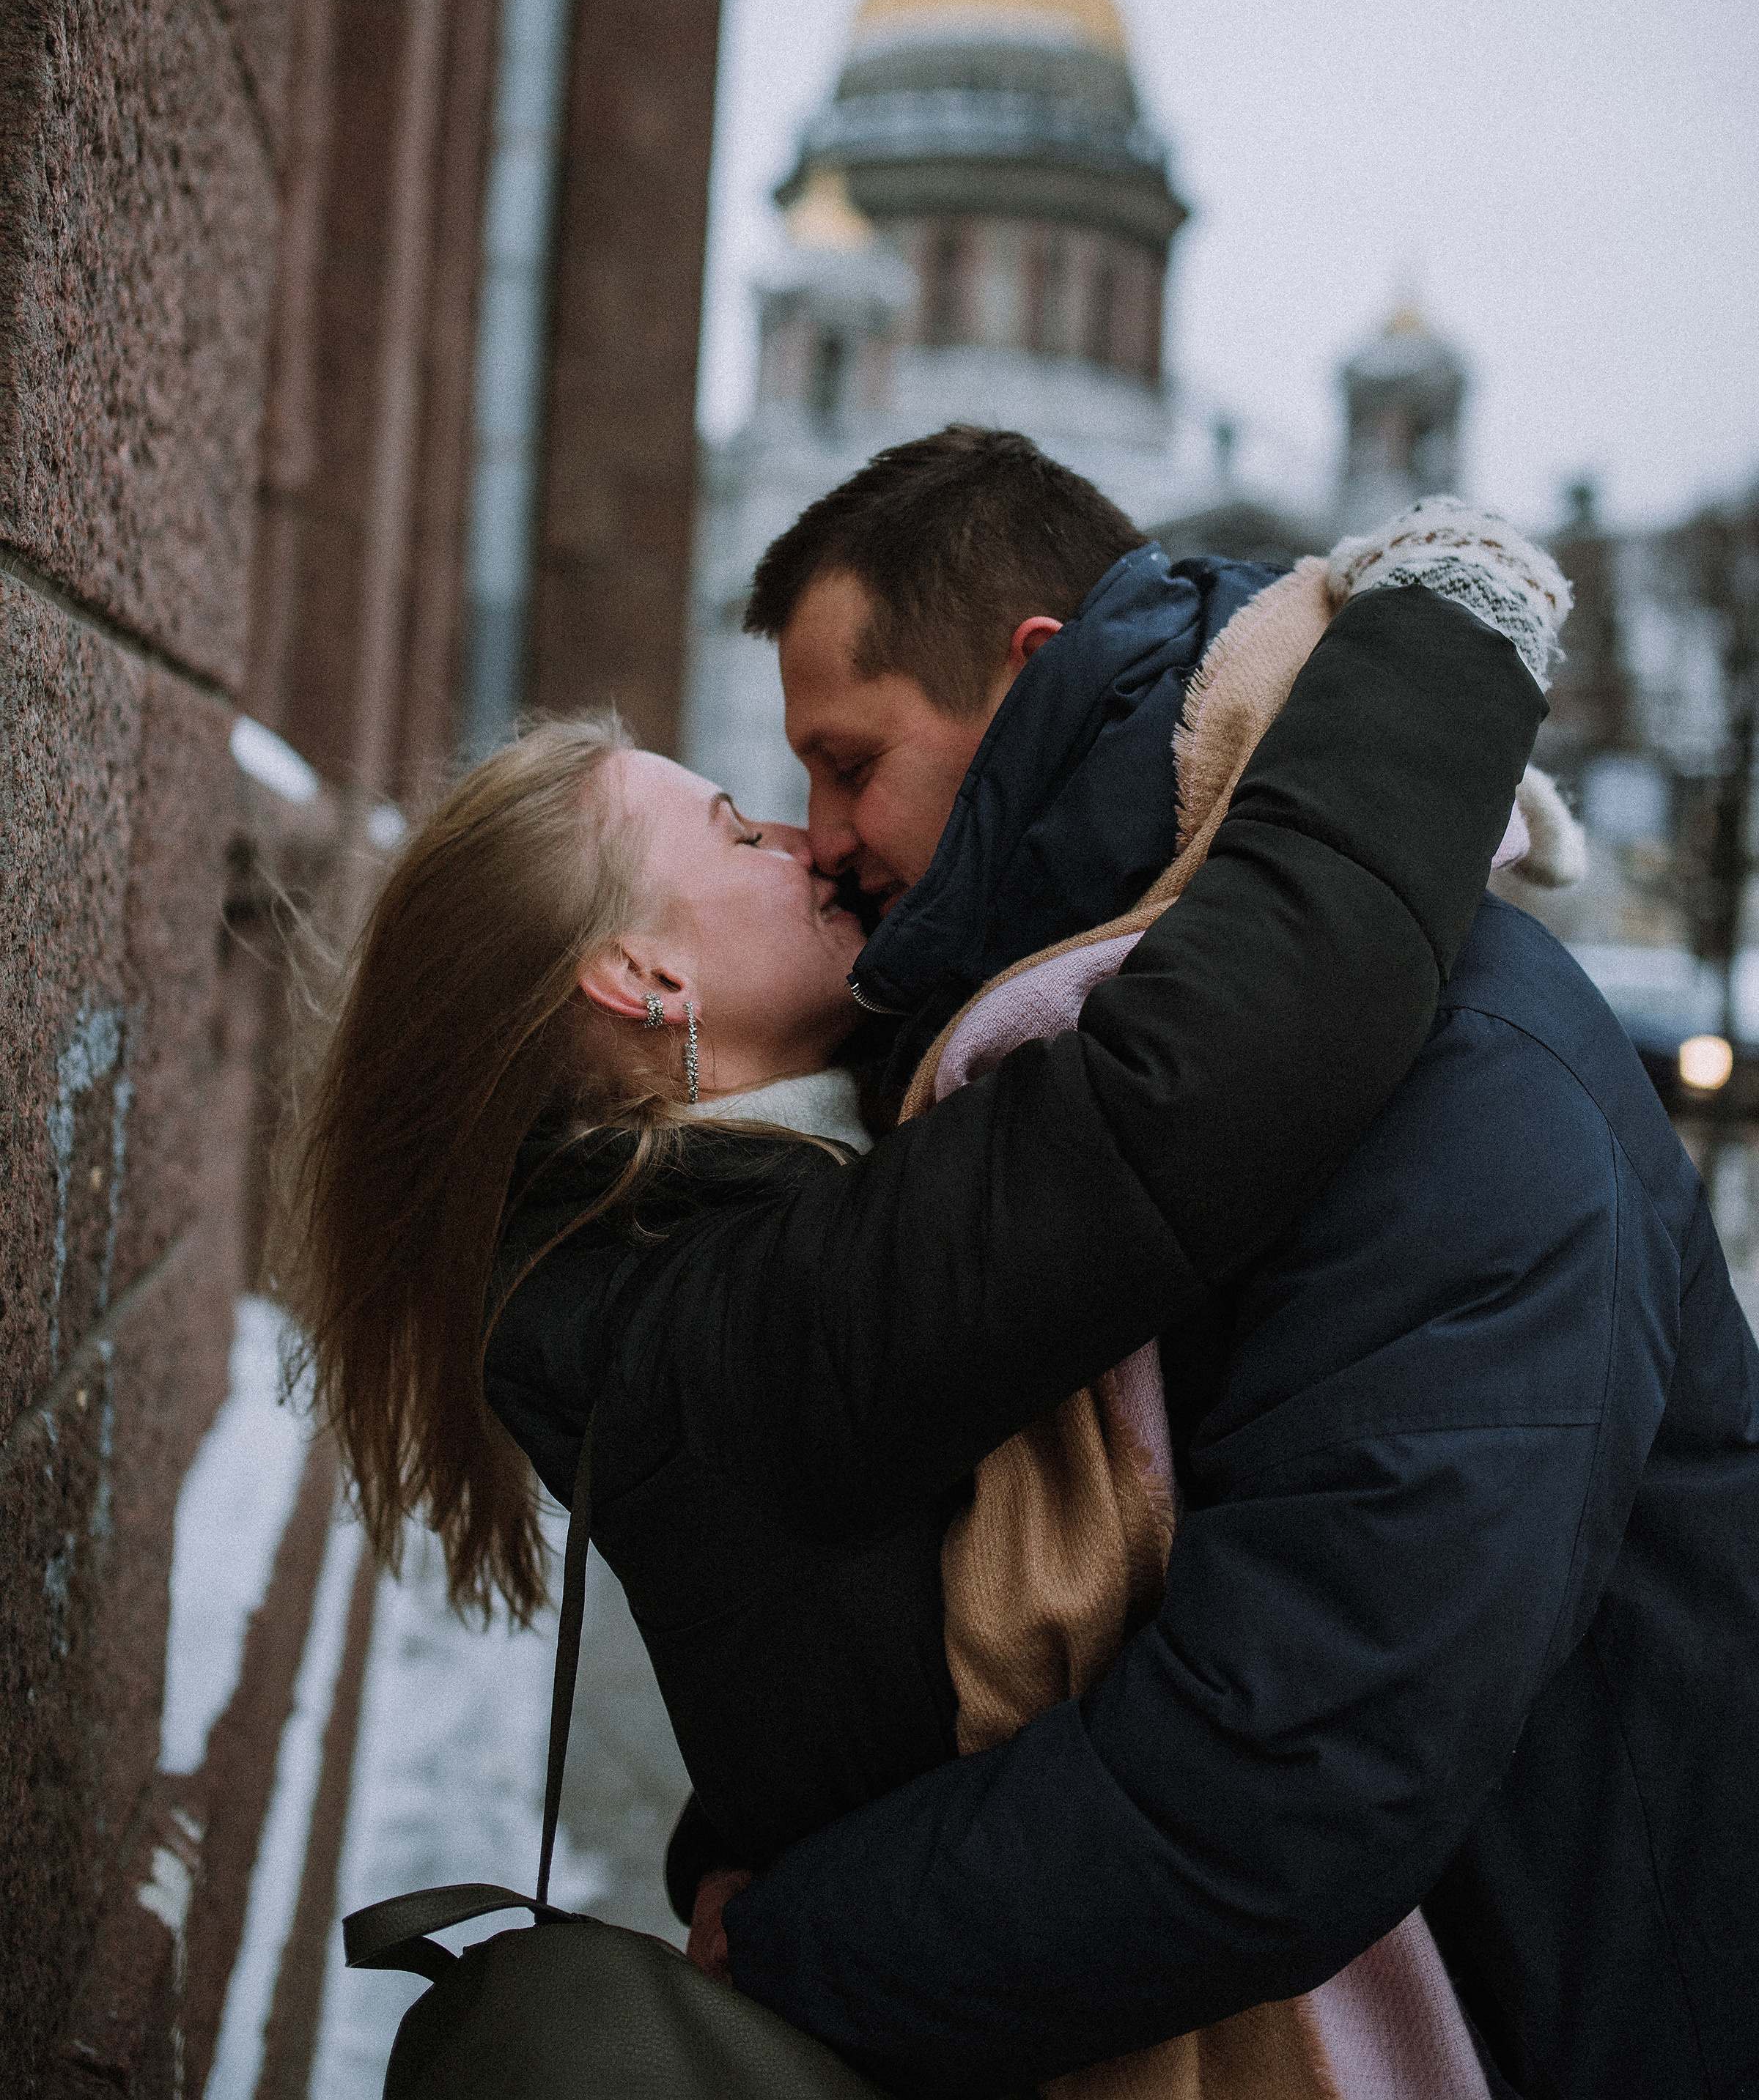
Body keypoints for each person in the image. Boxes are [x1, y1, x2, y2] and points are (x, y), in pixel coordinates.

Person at [276, 508, 1543, 2058]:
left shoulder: (700, 1247)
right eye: (738, 831)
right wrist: (1446, 635)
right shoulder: (722, 1311)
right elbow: (1189, 1088)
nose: (804, 839)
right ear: (644, 978)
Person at [692, 430, 1759, 2100]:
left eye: (850, 762)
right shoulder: (1067, 1035)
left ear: (1029, 678)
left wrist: (795, 1943)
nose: (819, 837)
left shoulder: (1465, 1076)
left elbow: (1294, 1761)